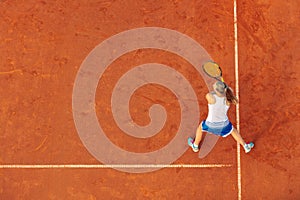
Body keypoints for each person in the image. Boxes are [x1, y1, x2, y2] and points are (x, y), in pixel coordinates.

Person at [188, 81, 254, 153]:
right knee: (233, 130)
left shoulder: (210, 97)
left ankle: (195, 146)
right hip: (224, 126)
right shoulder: (228, 98)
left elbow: (210, 94)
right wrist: (224, 89)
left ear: (216, 90)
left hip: (210, 125)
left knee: (200, 128)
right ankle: (245, 146)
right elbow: (229, 90)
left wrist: (219, 90)